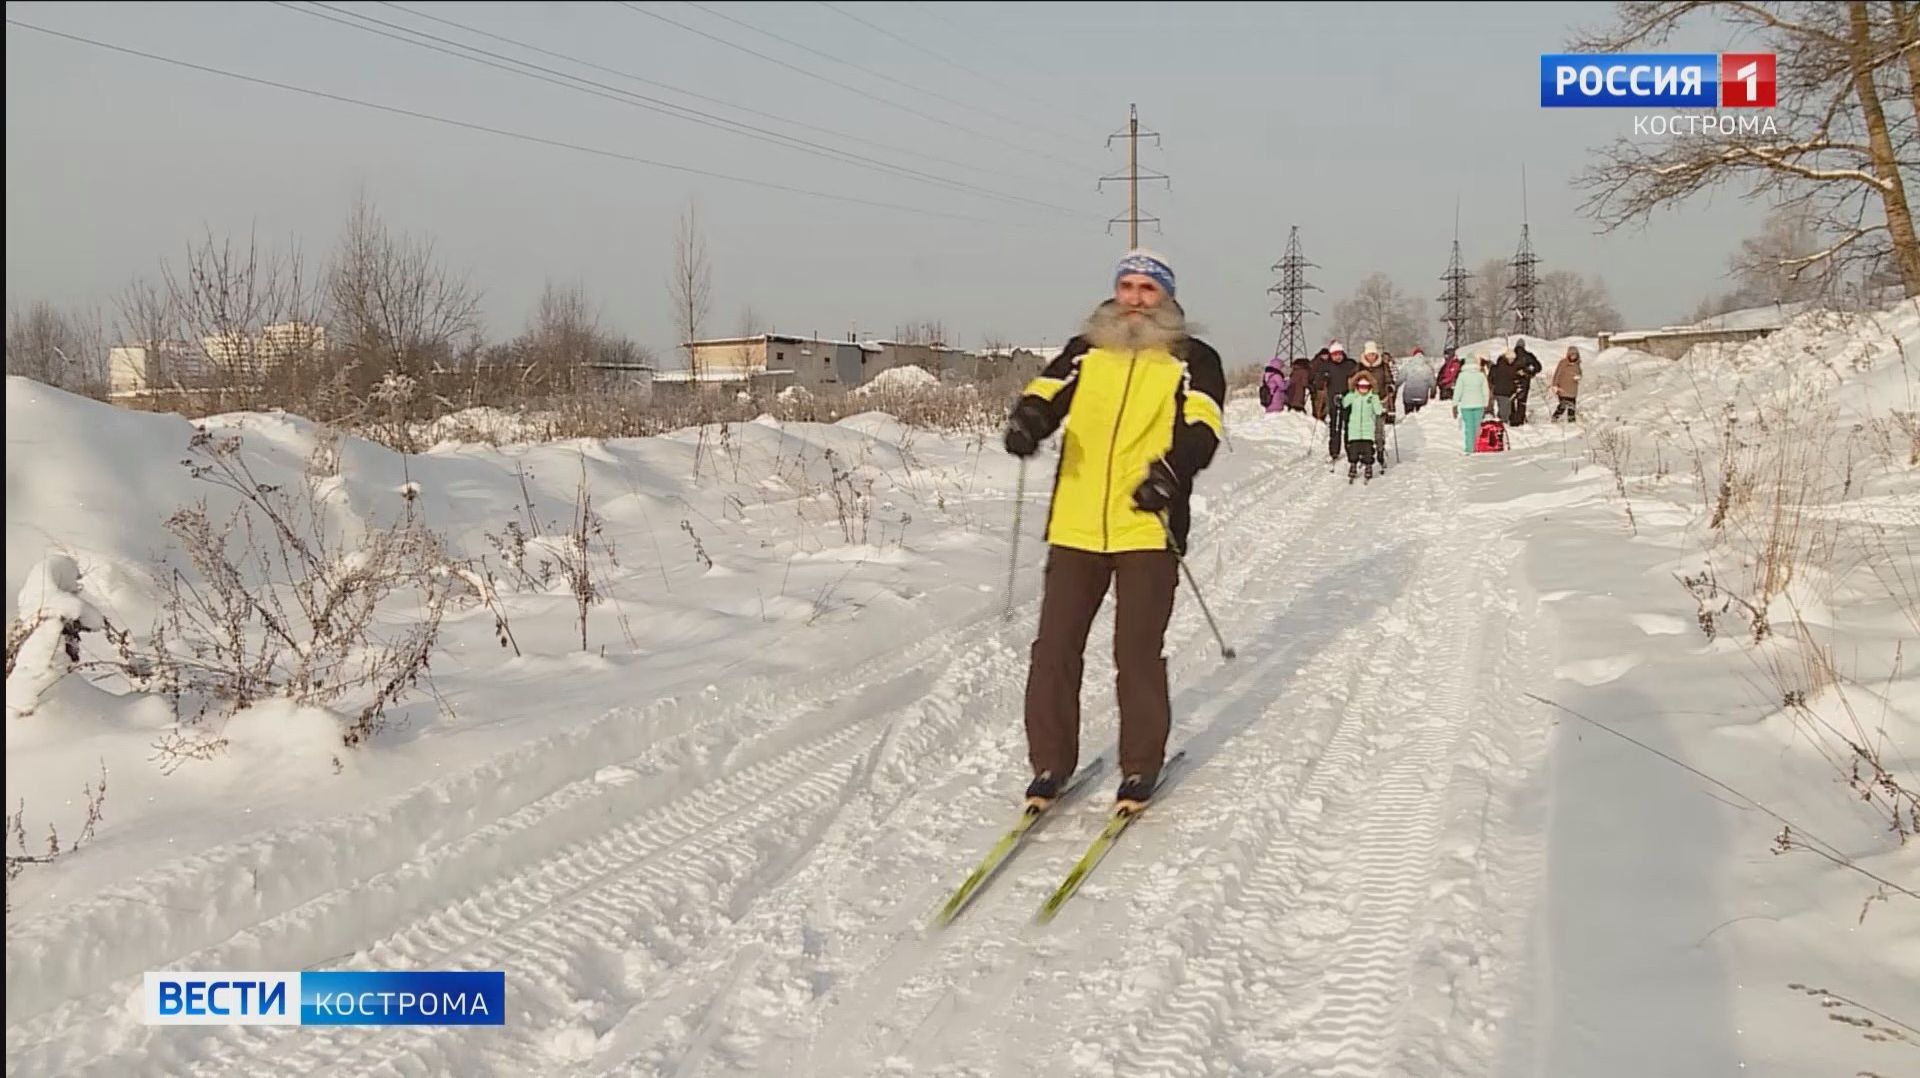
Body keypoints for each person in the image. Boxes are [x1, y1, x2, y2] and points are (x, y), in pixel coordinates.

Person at [1002, 248, 1226, 811]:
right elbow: (1045, 394)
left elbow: (1204, 423)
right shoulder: (1086, 351)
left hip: (1147, 525)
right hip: (1077, 524)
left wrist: (1171, 474)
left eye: (1147, 290)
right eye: (1126, 287)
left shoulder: (1191, 357)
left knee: (1137, 652)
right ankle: (1050, 764)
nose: (1134, 300)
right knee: (1054, 648)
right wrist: (1028, 423)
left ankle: (1140, 766)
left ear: (1167, 298)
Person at [1341, 369, 1387, 482]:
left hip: (1367, 430)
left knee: (1368, 450)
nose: (1363, 389)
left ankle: (1368, 466)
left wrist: (1382, 410)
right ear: (1356, 386)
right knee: (1354, 450)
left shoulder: (1373, 397)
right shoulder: (1352, 395)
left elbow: (1377, 410)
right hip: (1354, 430)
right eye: (1361, 386)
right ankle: (1353, 465)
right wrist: (1339, 400)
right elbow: (1344, 403)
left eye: (1366, 387)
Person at [1316, 341, 1358, 461]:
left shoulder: (1349, 364)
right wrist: (1323, 378)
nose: (1337, 357)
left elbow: (1358, 376)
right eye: (1334, 354)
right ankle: (1334, 451)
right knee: (1335, 426)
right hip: (1334, 398)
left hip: (1349, 398)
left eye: (1339, 354)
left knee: (1349, 425)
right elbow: (1318, 383)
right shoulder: (1326, 366)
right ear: (1331, 355)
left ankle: (1350, 448)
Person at [1453, 351, 1492, 453]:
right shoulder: (1481, 375)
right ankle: (1476, 447)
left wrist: (1454, 405)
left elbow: (1458, 391)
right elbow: (1485, 390)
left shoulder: (1462, 376)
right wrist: (1486, 403)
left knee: (1469, 428)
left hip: (1466, 405)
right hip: (1479, 404)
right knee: (1477, 427)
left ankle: (1469, 449)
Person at [1511, 338, 1543, 427]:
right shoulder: (1529, 356)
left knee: (1512, 400)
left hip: (1512, 381)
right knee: (1522, 401)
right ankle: (1520, 419)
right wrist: (1529, 372)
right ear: (1524, 346)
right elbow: (1539, 367)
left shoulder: (1511, 355)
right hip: (1525, 381)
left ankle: (1512, 419)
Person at [1487, 347, 1521, 423]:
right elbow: (1513, 379)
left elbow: (1491, 379)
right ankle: (1501, 427)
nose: (1512, 360)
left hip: (1497, 391)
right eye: (1512, 359)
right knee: (1505, 414)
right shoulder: (1510, 368)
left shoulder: (1497, 366)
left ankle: (1499, 425)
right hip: (1505, 392)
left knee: (1502, 410)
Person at [1550, 345, 1583, 422]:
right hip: (1563, 389)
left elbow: (1580, 374)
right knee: (1562, 406)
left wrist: (1579, 377)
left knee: (1572, 408)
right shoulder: (1563, 363)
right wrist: (1554, 385)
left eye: (1575, 354)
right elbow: (1557, 374)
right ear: (1568, 354)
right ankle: (1554, 419)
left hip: (1573, 391)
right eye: (1571, 354)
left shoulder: (1577, 364)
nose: (1573, 356)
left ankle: (1572, 424)